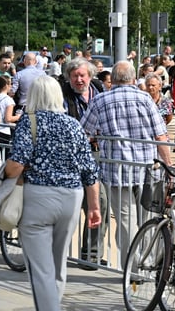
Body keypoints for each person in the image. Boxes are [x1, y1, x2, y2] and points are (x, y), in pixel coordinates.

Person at [4, 75, 101, 311]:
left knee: (40, 268)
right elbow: (89, 170)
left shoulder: (29, 121)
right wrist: (94, 206)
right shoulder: (73, 125)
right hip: (71, 196)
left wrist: (6, 173)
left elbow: (17, 163)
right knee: (58, 263)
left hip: (38, 196)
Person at [80, 61, 172, 269]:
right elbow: (161, 136)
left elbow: (83, 133)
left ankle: (131, 266)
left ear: (112, 79)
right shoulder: (145, 99)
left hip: (116, 171)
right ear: (133, 79)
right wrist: (168, 166)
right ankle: (147, 263)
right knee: (148, 218)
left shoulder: (101, 100)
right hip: (147, 168)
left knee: (125, 222)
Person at [61, 57, 108, 268]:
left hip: (98, 154)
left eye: (82, 75)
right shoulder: (63, 95)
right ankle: (71, 253)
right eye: (75, 76)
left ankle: (91, 254)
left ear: (90, 76)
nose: (79, 79)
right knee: (76, 205)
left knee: (100, 204)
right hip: (73, 157)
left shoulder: (98, 91)